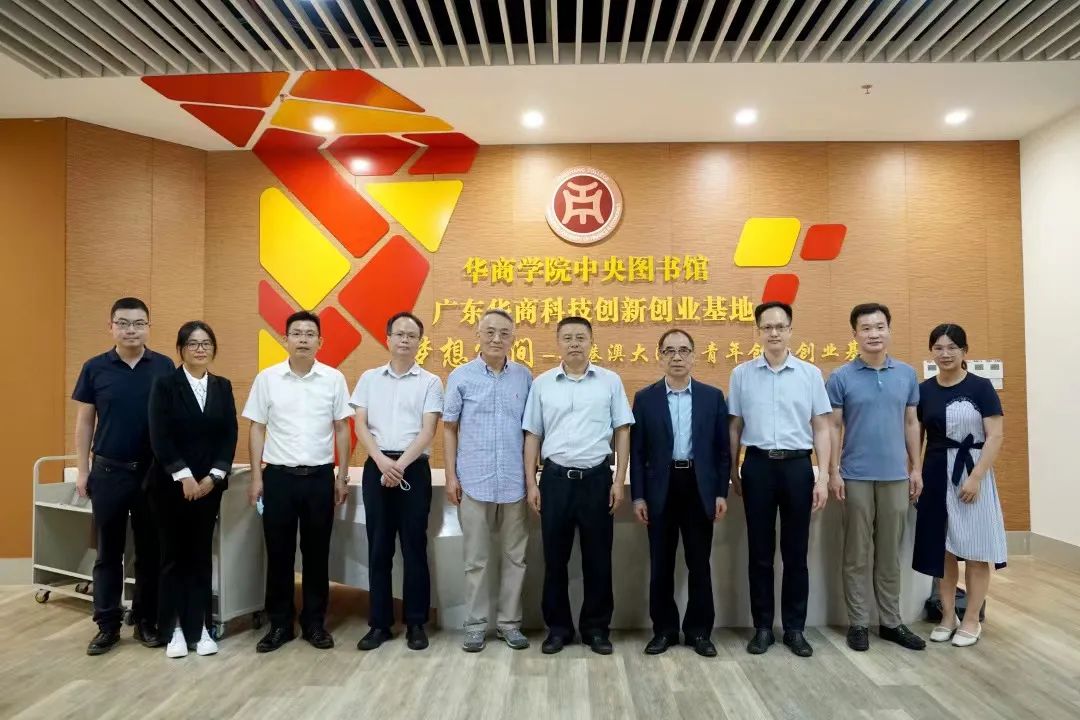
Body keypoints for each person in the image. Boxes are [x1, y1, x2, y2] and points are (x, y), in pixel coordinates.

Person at [523, 316, 634, 655]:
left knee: (598, 560)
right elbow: (532, 435)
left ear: (591, 342)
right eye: (568, 337)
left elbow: (622, 430)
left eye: (581, 337)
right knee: (554, 560)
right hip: (555, 481)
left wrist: (619, 480)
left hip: (597, 480)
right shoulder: (542, 384)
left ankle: (596, 629)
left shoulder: (610, 381)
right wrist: (531, 483)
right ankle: (558, 629)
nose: (574, 343)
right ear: (558, 343)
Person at [243, 310, 352, 653]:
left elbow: (342, 429)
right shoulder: (267, 379)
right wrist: (256, 477)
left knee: (317, 555)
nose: (303, 339)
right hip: (278, 478)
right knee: (279, 554)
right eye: (297, 333)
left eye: (309, 334)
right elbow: (257, 428)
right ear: (285, 339)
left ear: (320, 341)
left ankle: (315, 624)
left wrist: (342, 476)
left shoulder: (333, 379)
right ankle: (279, 625)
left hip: (319, 478)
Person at [728, 301, 832, 658]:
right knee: (759, 553)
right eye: (767, 327)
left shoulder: (810, 374)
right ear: (758, 331)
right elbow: (734, 426)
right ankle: (762, 628)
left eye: (780, 326)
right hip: (757, 466)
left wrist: (823, 477)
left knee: (796, 553)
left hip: (797, 467)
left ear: (790, 330)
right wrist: (733, 469)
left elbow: (822, 427)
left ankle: (794, 629)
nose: (773, 332)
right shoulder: (741, 374)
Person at [73, 297, 174, 656]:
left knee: (150, 552)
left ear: (149, 326)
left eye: (138, 323)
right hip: (108, 472)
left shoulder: (164, 366)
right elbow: (85, 422)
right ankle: (107, 625)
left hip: (152, 474)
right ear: (111, 326)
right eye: (123, 323)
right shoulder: (94, 368)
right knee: (108, 553)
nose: (131, 330)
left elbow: (172, 420)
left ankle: (146, 621)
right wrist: (83, 469)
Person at [826, 303, 926, 652]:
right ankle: (858, 623)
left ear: (889, 330)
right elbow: (833, 427)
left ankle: (891, 622)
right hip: (855, 476)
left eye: (880, 327)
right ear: (855, 334)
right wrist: (833, 471)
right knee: (856, 554)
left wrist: (916, 468)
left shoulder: (907, 374)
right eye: (866, 328)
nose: (873, 334)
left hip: (896, 476)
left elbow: (911, 422)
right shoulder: (841, 377)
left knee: (889, 554)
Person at [631, 329, 731, 657]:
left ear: (694, 355)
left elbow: (722, 451)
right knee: (660, 563)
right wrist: (638, 496)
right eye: (670, 351)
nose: (677, 357)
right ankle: (664, 630)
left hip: (699, 486)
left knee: (699, 563)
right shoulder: (645, 399)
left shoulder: (712, 397)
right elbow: (637, 452)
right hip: (660, 487)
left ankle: (699, 632)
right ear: (659, 356)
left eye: (684, 350)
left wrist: (721, 493)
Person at [352, 312, 443, 652]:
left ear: (420, 342)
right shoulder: (369, 378)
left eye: (411, 335)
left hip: (412, 469)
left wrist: (400, 466)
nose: (405, 340)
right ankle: (380, 624)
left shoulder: (430, 382)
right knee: (379, 548)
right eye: (399, 334)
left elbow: (428, 430)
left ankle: (416, 623)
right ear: (387, 338)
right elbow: (360, 425)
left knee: (414, 547)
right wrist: (381, 461)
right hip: (377, 465)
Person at [443, 309, 532, 652]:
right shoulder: (461, 376)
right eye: (490, 332)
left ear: (513, 338)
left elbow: (531, 432)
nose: (497, 338)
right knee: (476, 560)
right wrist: (451, 476)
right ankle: (476, 625)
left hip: (514, 483)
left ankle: (510, 624)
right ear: (477, 335)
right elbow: (449, 428)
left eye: (504, 333)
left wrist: (531, 479)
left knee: (515, 558)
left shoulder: (524, 377)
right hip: (474, 481)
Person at [147, 321, 237, 659]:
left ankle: (200, 627)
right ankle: (173, 630)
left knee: (200, 557)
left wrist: (213, 477)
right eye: (193, 343)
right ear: (181, 349)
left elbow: (229, 435)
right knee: (173, 558)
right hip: (170, 487)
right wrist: (183, 476)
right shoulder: (165, 384)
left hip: (208, 488)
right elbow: (159, 435)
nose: (200, 349)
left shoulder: (222, 386)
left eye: (206, 343)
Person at [914, 324, 1006, 648]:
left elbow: (995, 435)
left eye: (952, 347)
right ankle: (948, 615)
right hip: (935, 471)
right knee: (943, 550)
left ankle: (972, 619)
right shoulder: (924, 390)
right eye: (938, 348)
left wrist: (977, 476)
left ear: (965, 351)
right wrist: (915, 472)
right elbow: (917, 436)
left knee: (976, 550)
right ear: (931, 352)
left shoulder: (981, 387)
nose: (945, 354)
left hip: (972, 472)